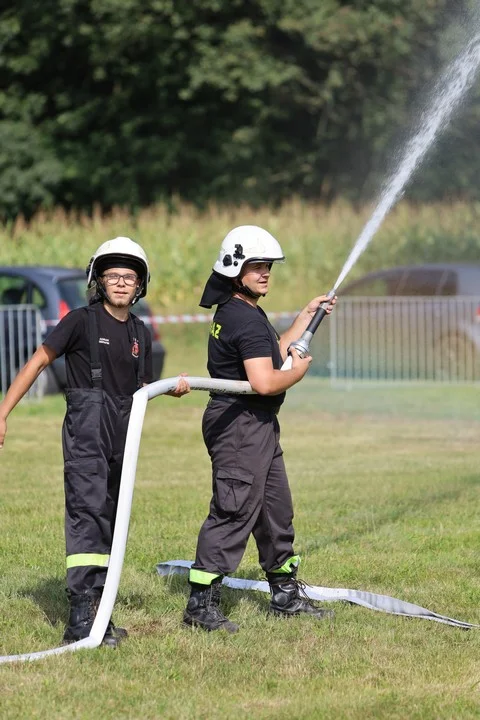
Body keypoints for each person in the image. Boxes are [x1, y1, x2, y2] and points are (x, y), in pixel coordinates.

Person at [0, 236, 189, 647]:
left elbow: (136, 389)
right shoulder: (80, 322)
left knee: (110, 516)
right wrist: (3, 412)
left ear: (140, 285)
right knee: (87, 515)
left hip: (124, 433)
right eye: (113, 275)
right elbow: (37, 362)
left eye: (129, 276)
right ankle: (80, 617)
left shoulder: (139, 331)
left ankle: (101, 608)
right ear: (98, 281)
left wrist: (163, 388)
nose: (121, 283)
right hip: (88, 432)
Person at [183, 225, 336, 633]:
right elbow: (266, 381)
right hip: (240, 426)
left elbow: (272, 352)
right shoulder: (242, 318)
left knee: (274, 510)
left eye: (268, 266)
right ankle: (201, 604)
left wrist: (304, 317)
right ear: (235, 269)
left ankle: (284, 593)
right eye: (257, 266)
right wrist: (300, 372)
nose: (265, 272)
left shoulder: (244, 311)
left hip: (257, 424)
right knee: (234, 510)